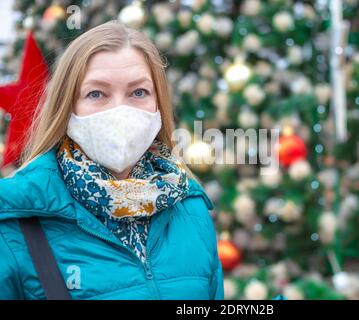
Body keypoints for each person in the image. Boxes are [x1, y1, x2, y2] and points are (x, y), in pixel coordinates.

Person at [0, 20, 224, 300]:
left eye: (138, 92)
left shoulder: (190, 207)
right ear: (67, 107)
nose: (120, 109)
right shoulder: (14, 218)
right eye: (96, 93)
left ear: (158, 105)